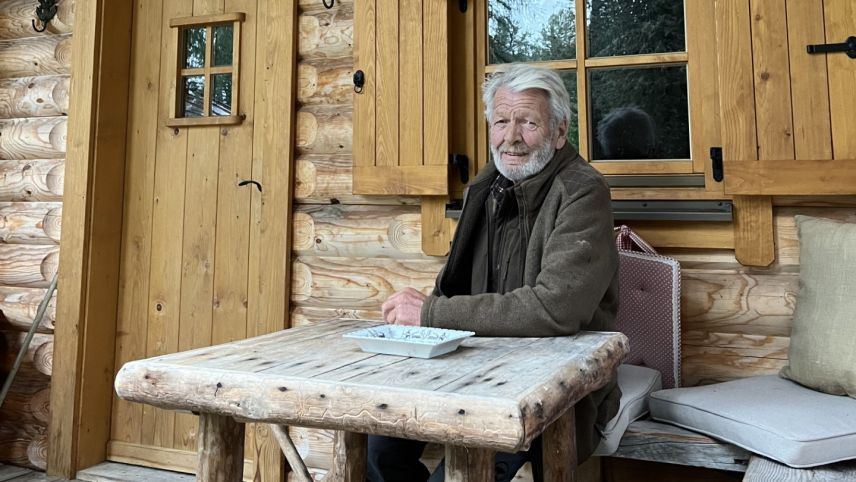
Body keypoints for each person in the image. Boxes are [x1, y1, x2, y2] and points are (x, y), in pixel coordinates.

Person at [369, 63, 621, 482]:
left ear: (559, 132)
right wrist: (419, 319)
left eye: (529, 123)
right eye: (501, 122)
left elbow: (555, 308)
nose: (512, 137)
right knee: (377, 446)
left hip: (551, 384)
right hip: (473, 371)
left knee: (462, 472)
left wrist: (430, 313)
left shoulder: (582, 191)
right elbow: (451, 288)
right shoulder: (486, 187)